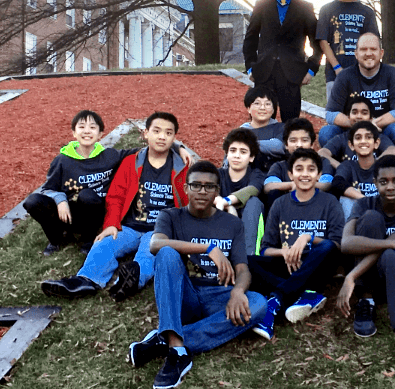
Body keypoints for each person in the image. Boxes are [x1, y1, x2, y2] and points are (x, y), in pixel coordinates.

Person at [128, 161, 266, 389]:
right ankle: (178, 353)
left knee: (258, 303)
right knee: (166, 253)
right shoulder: (170, 216)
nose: (202, 191)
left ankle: (167, 340)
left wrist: (238, 292)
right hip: (185, 295)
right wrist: (208, 248)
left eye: (209, 187)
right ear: (186, 188)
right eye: (196, 185)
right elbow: (155, 244)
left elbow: (242, 269)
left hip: (219, 295)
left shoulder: (233, 224)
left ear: (217, 191)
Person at [41, 112, 189, 302]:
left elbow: (188, 204)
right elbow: (115, 196)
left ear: (174, 138)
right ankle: (85, 280)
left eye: (168, 133)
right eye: (157, 131)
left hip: (159, 229)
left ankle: (130, 280)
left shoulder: (182, 168)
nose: (162, 136)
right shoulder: (131, 162)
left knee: (149, 253)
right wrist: (111, 223)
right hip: (130, 226)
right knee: (104, 244)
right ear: (145, 134)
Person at [24, 110, 190, 256]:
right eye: (81, 127)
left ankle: (88, 239)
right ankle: (56, 239)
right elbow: (47, 189)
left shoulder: (110, 156)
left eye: (93, 127)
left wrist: (178, 147)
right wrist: (60, 201)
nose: (87, 131)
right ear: (74, 133)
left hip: (94, 210)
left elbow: (153, 147)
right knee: (32, 201)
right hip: (68, 211)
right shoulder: (62, 160)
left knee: (88, 195)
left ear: (101, 133)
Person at [337, 155, 395, 371]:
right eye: (383, 181)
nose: (390, 187)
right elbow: (346, 243)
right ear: (375, 183)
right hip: (369, 275)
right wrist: (394, 246)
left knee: (391, 254)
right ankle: (367, 299)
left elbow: (393, 244)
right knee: (372, 219)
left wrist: (351, 275)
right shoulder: (364, 204)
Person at [247, 148, 343, 340]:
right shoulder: (280, 204)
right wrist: (284, 252)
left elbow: (338, 245)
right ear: (291, 174)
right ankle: (305, 294)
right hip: (289, 264)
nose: (305, 174)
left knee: (327, 247)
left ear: (319, 174)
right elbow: (265, 249)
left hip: (318, 265)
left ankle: (275, 300)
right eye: (299, 169)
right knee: (247, 261)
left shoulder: (330, 202)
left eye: (311, 169)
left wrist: (307, 237)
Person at [243, 0, 322, 122]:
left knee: (291, 122)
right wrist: (251, 68)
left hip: (292, 74)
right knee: (261, 119)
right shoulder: (261, 6)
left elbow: (317, 43)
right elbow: (250, 39)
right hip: (264, 71)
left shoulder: (305, 8)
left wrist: (311, 70)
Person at [320, 32, 395, 148]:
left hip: (382, 130)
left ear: (381, 53)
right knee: (326, 133)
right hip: (351, 131)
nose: (368, 53)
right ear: (356, 54)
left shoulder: (393, 74)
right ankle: (342, 164)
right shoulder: (344, 76)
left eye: (373, 49)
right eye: (363, 49)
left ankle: (390, 162)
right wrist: (357, 124)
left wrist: (372, 124)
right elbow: (331, 114)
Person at [316, 0, 380, 103]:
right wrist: (337, 68)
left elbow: (373, 42)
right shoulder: (327, 10)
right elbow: (323, 41)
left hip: (363, 74)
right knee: (336, 118)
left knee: (363, 118)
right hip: (335, 75)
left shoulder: (367, 12)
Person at [215, 129, 265, 257]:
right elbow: (208, 191)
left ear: (252, 157)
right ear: (226, 154)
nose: (237, 155)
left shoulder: (256, 174)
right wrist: (230, 207)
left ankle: (249, 257)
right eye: (233, 150)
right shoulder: (218, 174)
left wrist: (226, 201)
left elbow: (253, 189)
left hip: (247, 228)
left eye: (243, 152)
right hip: (220, 226)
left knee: (254, 202)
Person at [263, 118, 335, 206]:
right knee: (273, 193)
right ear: (286, 145)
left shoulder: (323, 162)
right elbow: (268, 186)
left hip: (316, 209)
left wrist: (299, 185)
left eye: (304, 140)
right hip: (286, 209)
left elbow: (326, 185)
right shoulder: (279, 166)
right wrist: (292, 185)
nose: (299, 144)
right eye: (293, 140)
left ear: (312, 144)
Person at [319, 94, 395, 169]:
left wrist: (373, 165)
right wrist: (341, 167)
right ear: (348, 117)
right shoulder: (342, 138)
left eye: (364, 113)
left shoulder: (377, 136)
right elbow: (322, 153)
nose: (359, 116)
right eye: (354, 112)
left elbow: (394, 151)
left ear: (371, 118)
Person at [334, 121, 380, 219]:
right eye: (358, 138)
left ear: (376, 143)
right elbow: (337, 183)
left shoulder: (384, 165)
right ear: (351, 145)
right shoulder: (348, 165)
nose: (363, 141)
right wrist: (364, 199)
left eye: (368, 137)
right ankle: (349, 233)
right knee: (346, 199)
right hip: (358, 212)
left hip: (382, 210)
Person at [236, 86, 285, 173]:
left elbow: (279, 146)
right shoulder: (242, 131)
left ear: (273, 109)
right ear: (248, 108)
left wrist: (247, 144)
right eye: (257, 103)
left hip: (275, 175)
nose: (262, 108)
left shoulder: (281, 127)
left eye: (267, 104)